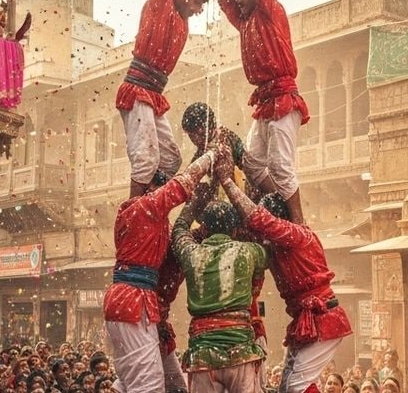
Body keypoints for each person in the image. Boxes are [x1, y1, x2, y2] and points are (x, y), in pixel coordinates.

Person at [114, 0, 213, 198]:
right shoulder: (161, 3)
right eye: (196, 3)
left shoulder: (182, 17)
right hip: (137, 91)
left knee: (170, 161)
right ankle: (134, 213)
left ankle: (149, 206)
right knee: (146, 160)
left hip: (153, 95)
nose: (198, 10)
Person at [102, 143, 226, 393]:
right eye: (160, 188)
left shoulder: (154, 224)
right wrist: (212, 154)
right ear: (150, 189)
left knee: (173, 386)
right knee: (148, 386)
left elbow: (181, 235)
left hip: (139, 304)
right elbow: (182, 184)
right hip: (133, 301)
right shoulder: (143, 208)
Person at [216, 0, 310, 223]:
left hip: (284, 98)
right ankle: (278, 209)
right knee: (254, 164)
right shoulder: (244, 21)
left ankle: (299, 223)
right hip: (265, 102)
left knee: (282, 166)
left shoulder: (270, 10)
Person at [219, 177, 352, 393]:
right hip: (308, 320)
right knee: (286, 386)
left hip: (322, 318)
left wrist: (227, 182)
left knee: (296, 386)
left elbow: (259, 220)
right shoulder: (278, 246)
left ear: (278, 219)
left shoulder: (297, 234)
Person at [172, 180, 267, 392]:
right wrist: (237, 194)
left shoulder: (191, 253)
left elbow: (178, 229)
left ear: (204, 229)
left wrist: (195, 202)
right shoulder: (249, 251)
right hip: (241, 352)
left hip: (203, 357)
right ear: (234, 230)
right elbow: (266, 235)